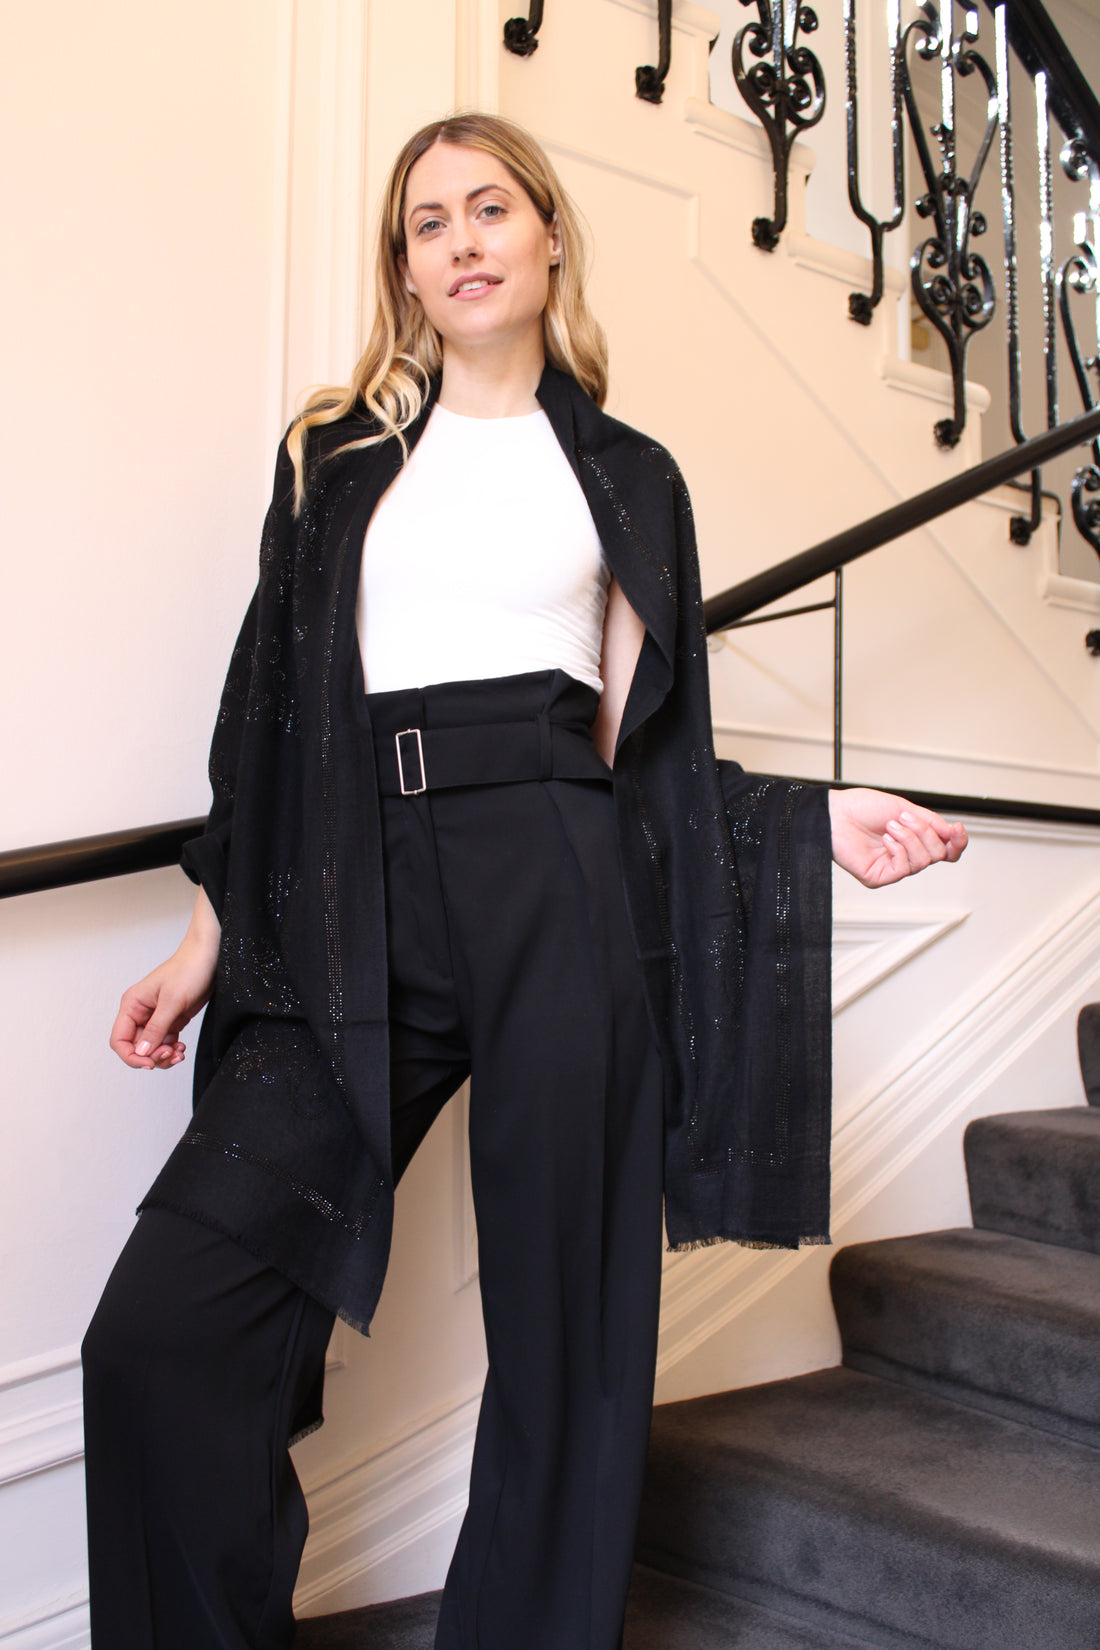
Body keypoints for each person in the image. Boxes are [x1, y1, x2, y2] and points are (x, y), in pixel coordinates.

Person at [82, 112, 967, 1650]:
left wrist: (810, 817)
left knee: (570, 1337)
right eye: (428, 223)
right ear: (406, 270)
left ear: (549, 235)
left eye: (490, 208)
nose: (463, 241)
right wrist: (208, 936)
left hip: (558, 871)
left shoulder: (628, 476)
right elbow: (264, 721)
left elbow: (649, 758)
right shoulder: (336, 460)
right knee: (159, 1328)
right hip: (356, 889)